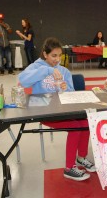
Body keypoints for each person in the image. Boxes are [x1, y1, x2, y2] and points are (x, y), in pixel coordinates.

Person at [18, 37, 95, 181]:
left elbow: (71, 95)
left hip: (62, 110)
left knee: (85, 123)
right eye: (53, 55)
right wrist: (47, 70)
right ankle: (69, 168)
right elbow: (22, 80)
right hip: (44, 112)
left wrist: (65, 89)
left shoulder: (64, 71)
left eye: (60, 55)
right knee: (75, 126)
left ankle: (81, 157)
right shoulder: (37, 67)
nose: (57, 59)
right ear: (45, 54)